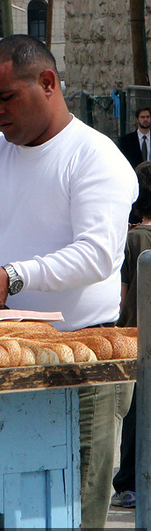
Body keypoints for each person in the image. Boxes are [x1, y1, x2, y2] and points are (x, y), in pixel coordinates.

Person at [0, 34, 138, 530]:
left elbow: (98, 254)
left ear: (47, 83)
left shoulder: (95, 156)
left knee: (76, 510)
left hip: (83, 358)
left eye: (7, 97)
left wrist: (12, 276)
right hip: (2, 349)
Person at [111, 161, 151, 509]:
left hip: (135, 338)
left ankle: (128, 483)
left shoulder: (133, 238)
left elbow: (120, 294)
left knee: (135, 413)